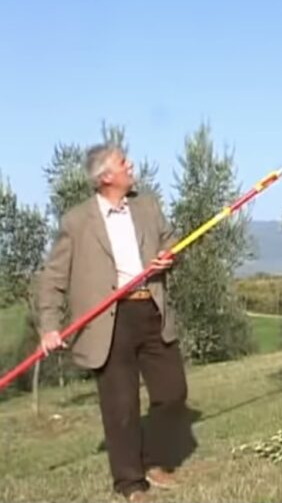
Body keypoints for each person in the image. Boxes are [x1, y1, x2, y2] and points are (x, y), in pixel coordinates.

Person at [37, 143, 188, 502]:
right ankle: (131, 483)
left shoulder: (147, 206)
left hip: (150, 310)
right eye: (124, 162)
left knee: (173, 392)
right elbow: (53, 277)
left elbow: (172, 243)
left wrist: (169, 256)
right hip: (108, 320)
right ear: (106, 176)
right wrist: (49, 326)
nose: (130, 165)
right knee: (120, 406)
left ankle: (153, 459)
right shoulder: (76, 221)